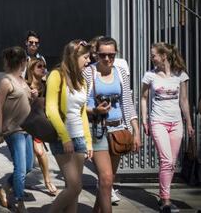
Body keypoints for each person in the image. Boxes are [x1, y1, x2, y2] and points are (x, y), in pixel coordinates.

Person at [83, 36, 141, 213]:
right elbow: (81, 105)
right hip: (98, 129)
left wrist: (136, 130)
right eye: (102, 55)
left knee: (107, 181)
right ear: (96, 54)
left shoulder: (120, 72)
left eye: (111, 55)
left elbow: (127, 103)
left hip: (119, 130)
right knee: (106, 178)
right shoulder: (88, 72)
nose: (107, 59)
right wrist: (95, 111)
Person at [140, 42, 195, 213]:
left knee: (170, 163)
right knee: (166, 160)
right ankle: (165, 200)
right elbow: (143, 98)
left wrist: (189, 123)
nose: (151, 57)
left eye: (153, 54)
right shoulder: (150, 76)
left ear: (163, 56)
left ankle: (165, 195)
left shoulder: (181, 75)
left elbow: (184, 101)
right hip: (158, 122)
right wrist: (144, 120)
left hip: (176, 123)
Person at [45, 40, 93, 212]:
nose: (89, 61)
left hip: (79, 138)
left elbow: (83, 113)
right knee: (74, 186)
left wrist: (88, 141)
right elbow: (51, 109)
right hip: (61, 138)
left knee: (74, 190)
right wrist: (65, 137)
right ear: (74, 56)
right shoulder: (56, 75)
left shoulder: (81, 80)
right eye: (86, 57)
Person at [0, 46, 34, 213]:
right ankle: (18, 202)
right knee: (20, 168)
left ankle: (4, 189)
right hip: (13, 130)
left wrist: (33, 94)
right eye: (25, 61)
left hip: (27, 129)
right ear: (22, 61)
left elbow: (26, 101)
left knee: (29, 166)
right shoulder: (6, 81)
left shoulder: (22, 80)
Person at [25, 58, 57, 196]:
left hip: (39, 124)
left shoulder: (46, 85)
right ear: (32, 69)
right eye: (39, 66)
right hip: (25, 124)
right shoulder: (25, 85)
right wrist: (31, 97)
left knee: (39, 152)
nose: (43, 69)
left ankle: (47, 180)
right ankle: (13, 185)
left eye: (44, 66)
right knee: (26, 161)